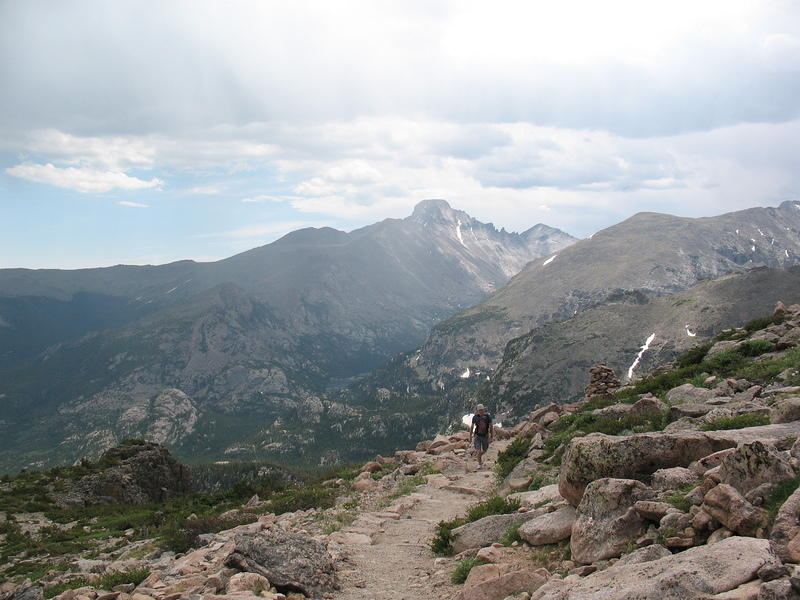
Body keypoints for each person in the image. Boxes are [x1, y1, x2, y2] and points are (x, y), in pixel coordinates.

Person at [469, 403, 493, 468]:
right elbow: (472, 427)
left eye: (482, 410)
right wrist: (470, 436)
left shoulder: (488, 417)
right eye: (480, 410)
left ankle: (478, 456)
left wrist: (491, 437)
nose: (481, 411)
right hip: (477, 436)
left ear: (484, 410)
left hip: (485, 436)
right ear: (477, 411)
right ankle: (479, 464)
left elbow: (491, 427)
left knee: (485, 450)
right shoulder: (475, 417)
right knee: (478, 451)